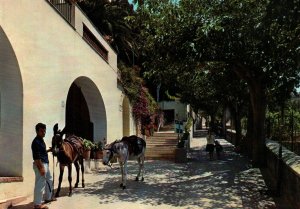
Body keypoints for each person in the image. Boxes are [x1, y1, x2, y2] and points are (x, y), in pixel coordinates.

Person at [31, 123, 56, 209]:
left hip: (45, 164)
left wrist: (49, 150)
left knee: (49, 179)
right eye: (41, 131)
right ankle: (37, 205)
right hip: (40, 164)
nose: (44, 132)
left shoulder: (41, 141)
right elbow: (36, 157)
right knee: (40, 184)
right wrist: (41, 168)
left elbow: (42, 152)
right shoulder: (36, 142)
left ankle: (48, 198)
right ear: (37, 131)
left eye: (44, 131)